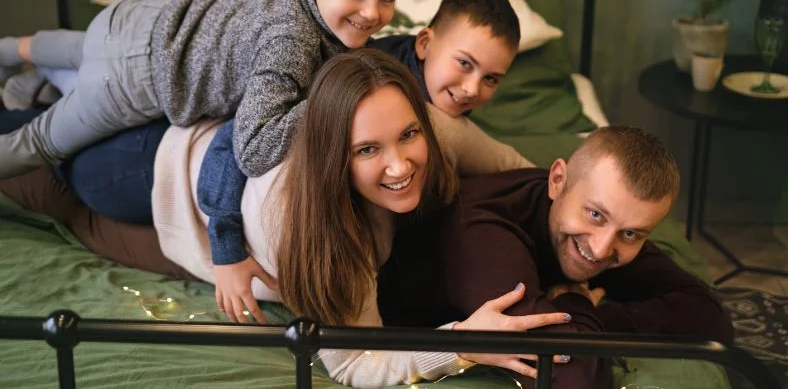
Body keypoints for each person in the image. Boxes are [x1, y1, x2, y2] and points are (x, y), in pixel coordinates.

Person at [0, 50, 566, 387]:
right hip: (160, 185)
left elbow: (522, 170)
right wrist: (461, 344)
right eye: (367, 150)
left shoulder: (412, 121)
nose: (400, 165)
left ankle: (35, 99)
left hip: (200, 154)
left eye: (409, 135)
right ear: (330, 152)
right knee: (54, 190)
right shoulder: (312, 233)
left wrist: (569, 205)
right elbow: (352, 364)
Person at [200, 0, 526, 325]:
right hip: (197, 160)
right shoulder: (352, 88)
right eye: (463, 63)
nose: (471, 89)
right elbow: (236, 139)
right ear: (425, 43)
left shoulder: (441, 113)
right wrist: (226, 250)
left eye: (491, 80)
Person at [0, 0, 406, 179]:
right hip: (133, 78)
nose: (372, 14)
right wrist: (330, 99)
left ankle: (11, 56)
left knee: (78, 47)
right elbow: (252, 149)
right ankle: (32, 91)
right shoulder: (290, 42)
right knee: (39, 143)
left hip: (136, 16)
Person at [377, 125, 735, 388]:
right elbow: (570, 375)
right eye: (595, 214)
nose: (599, 250)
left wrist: (593, 314)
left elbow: (710, 317)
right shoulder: (482, 233)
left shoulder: (609, 227)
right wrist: (572, 302)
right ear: (557, 181)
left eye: (631, 234)